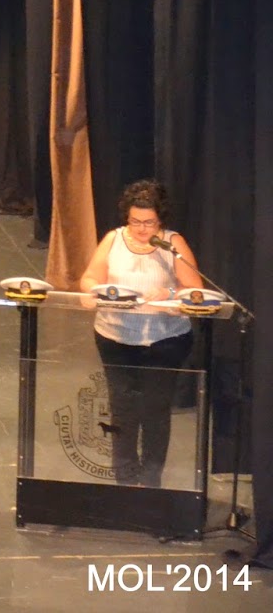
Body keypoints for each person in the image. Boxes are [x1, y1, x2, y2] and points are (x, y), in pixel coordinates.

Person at [79, 179, 204, 488]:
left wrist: (171, 293)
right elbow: (90, 278)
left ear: (160, 220)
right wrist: (91, 292)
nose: (141, 229)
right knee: (122, 409)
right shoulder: (113, 239)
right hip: (115, 338)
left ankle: (150, 483)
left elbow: (195, 290)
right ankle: (124, 480)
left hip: (164, 342)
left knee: (154, 411)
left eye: (148, 222)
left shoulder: (172, 243)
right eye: (135, 221)